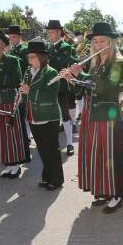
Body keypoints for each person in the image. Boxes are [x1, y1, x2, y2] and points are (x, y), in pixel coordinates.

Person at [63, 22, 123, 213]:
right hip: (92, 115)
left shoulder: (118, 62)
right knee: (98, 154)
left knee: (111, 155)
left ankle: (117, 192)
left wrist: (81, 75)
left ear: (111, 42)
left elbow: (106, 88)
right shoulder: (95, 64)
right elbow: (83, 90)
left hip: (109, 117)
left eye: (103, 41)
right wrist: (73, 79)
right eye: (95, 41)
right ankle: (103, 189)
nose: (99, 45)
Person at [0, 28, 30, 177]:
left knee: (10, 133)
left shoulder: (13, 60)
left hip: (7, 102)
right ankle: (6, 163)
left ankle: (15, 164)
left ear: (3, 46)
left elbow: (16, 81)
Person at [21, 40, 65, 190]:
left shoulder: (50, 72)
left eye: (33, 57)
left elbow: (51, 95)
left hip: (49, 117)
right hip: (34, 116)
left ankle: (57, 180)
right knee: (42, 150)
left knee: (52, 150)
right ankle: (47, 177)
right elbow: (26, 90)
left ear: (42, 57)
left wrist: (30, 92)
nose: (30, 60)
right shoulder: (28, 71)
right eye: (29, 57)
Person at [47, 20, 79, 155]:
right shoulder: (49, 48)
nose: (49, 34)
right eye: (49, 32)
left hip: (62, 85)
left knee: (65, 115)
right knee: (53, 115)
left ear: (59, 32)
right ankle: (54, 143)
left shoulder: (66, 46)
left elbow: (60, 63)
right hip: (51, 85)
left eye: (52, 32)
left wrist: (47, 62)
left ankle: (70, 144)